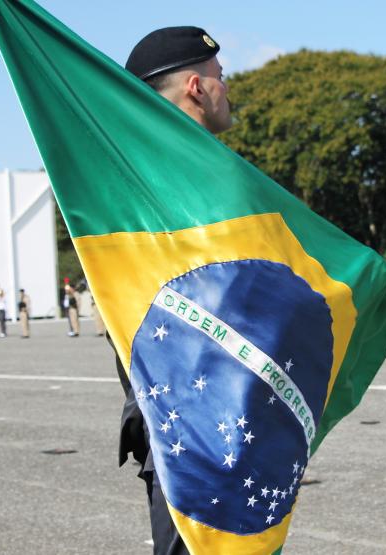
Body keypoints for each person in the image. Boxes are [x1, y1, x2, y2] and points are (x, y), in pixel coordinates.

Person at [121, 26, 230, 554]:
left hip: (213, 419)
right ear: (195, 86)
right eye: (220, 76)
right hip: (191, 422)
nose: (226, 87)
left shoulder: (138, 181)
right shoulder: (169, 186)